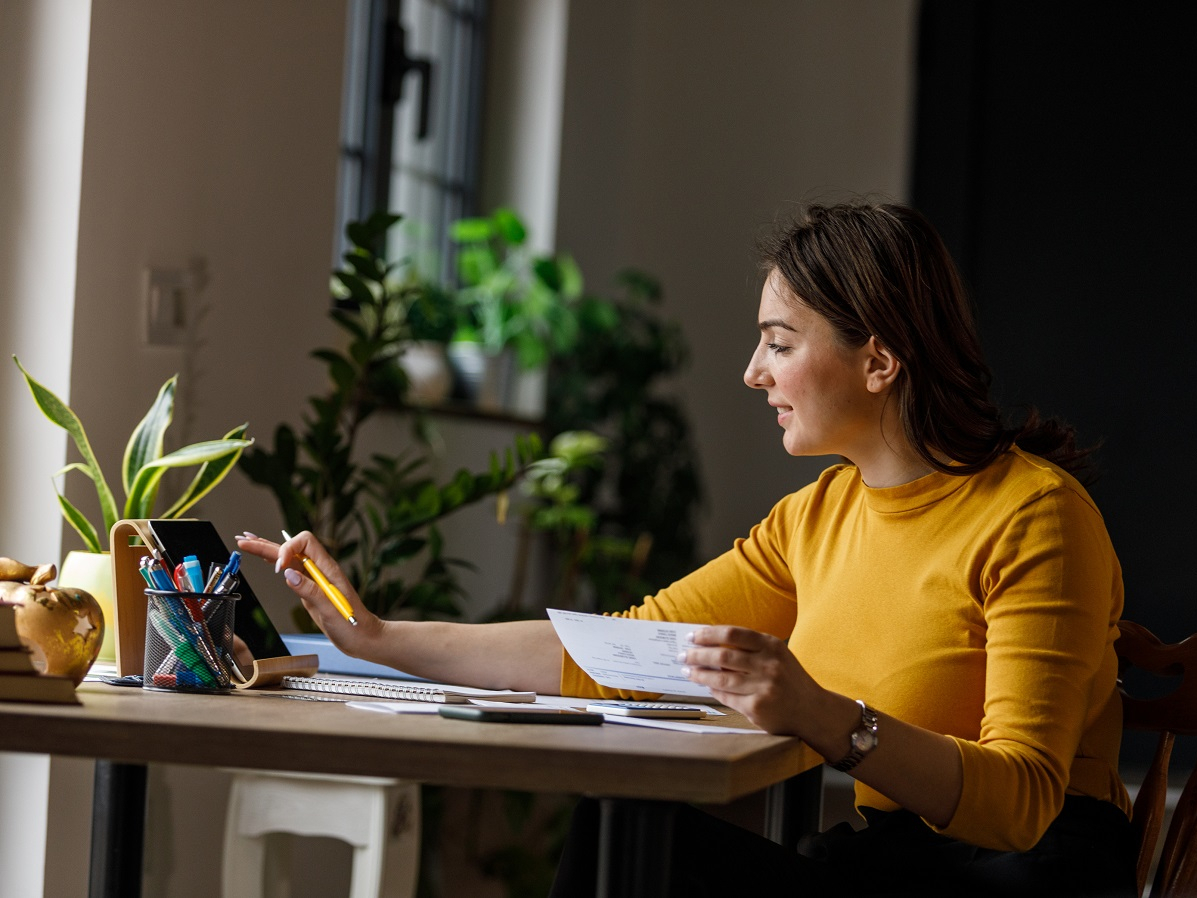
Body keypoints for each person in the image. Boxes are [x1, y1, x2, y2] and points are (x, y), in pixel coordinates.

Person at [237, 201, 1137, 897]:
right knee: (619, 836)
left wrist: (826, 717)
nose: (752, 372)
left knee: (634, 855)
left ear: (879, 360)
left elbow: (1021, 804)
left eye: (778, 343)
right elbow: (614, 649)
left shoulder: (1034, 517)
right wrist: (380, 637)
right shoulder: (819, 513)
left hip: (1010, 880)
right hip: (882, 870)